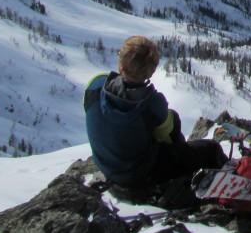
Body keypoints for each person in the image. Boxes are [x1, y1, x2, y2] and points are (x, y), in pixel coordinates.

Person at [83, 35, 226, 192]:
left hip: (106, 165)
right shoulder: (152, 103)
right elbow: (165, 136)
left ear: (121, 65)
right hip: (140, 174)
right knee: (210, 148)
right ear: (149, 73)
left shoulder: (95, 85)